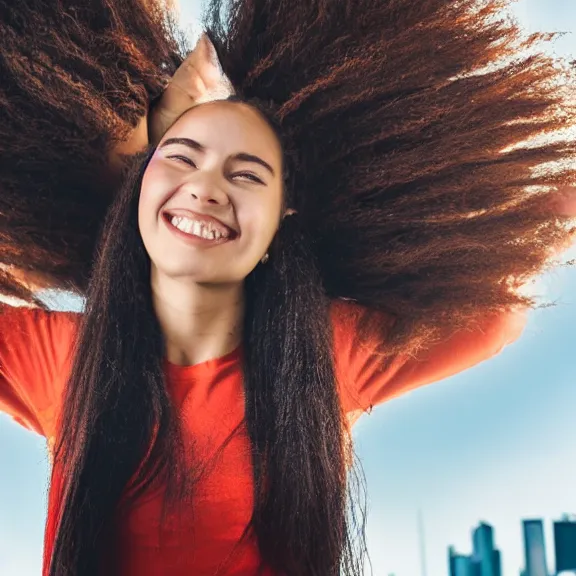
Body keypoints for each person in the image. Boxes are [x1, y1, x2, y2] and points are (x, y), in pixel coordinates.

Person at [0, 0, 575, 575]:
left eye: (247, 174)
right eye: (181, 159)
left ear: (281, 221)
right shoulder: (58, 359)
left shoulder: (321, 353)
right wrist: (129, 154)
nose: (205, 189)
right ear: (139, 187)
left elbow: (492, 309)